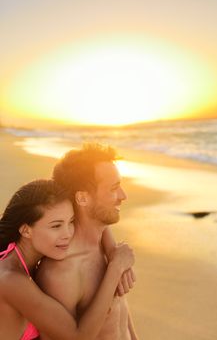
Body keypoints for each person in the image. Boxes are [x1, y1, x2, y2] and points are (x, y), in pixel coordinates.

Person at [0, 179, 135, 340]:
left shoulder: (17, 257)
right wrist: (116, 267)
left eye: (71, 222)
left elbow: (91, 221)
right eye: (56, 226)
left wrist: (111, 248)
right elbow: (78, 337)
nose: (67, 234)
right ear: (26, 230)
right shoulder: (10, 280)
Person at [36, 143, 139, 340]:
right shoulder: (61, 273)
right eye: (113, 188)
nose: (123, 196)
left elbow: (121, 316)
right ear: (83, 198)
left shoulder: (103, 243)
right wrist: (116, 266)